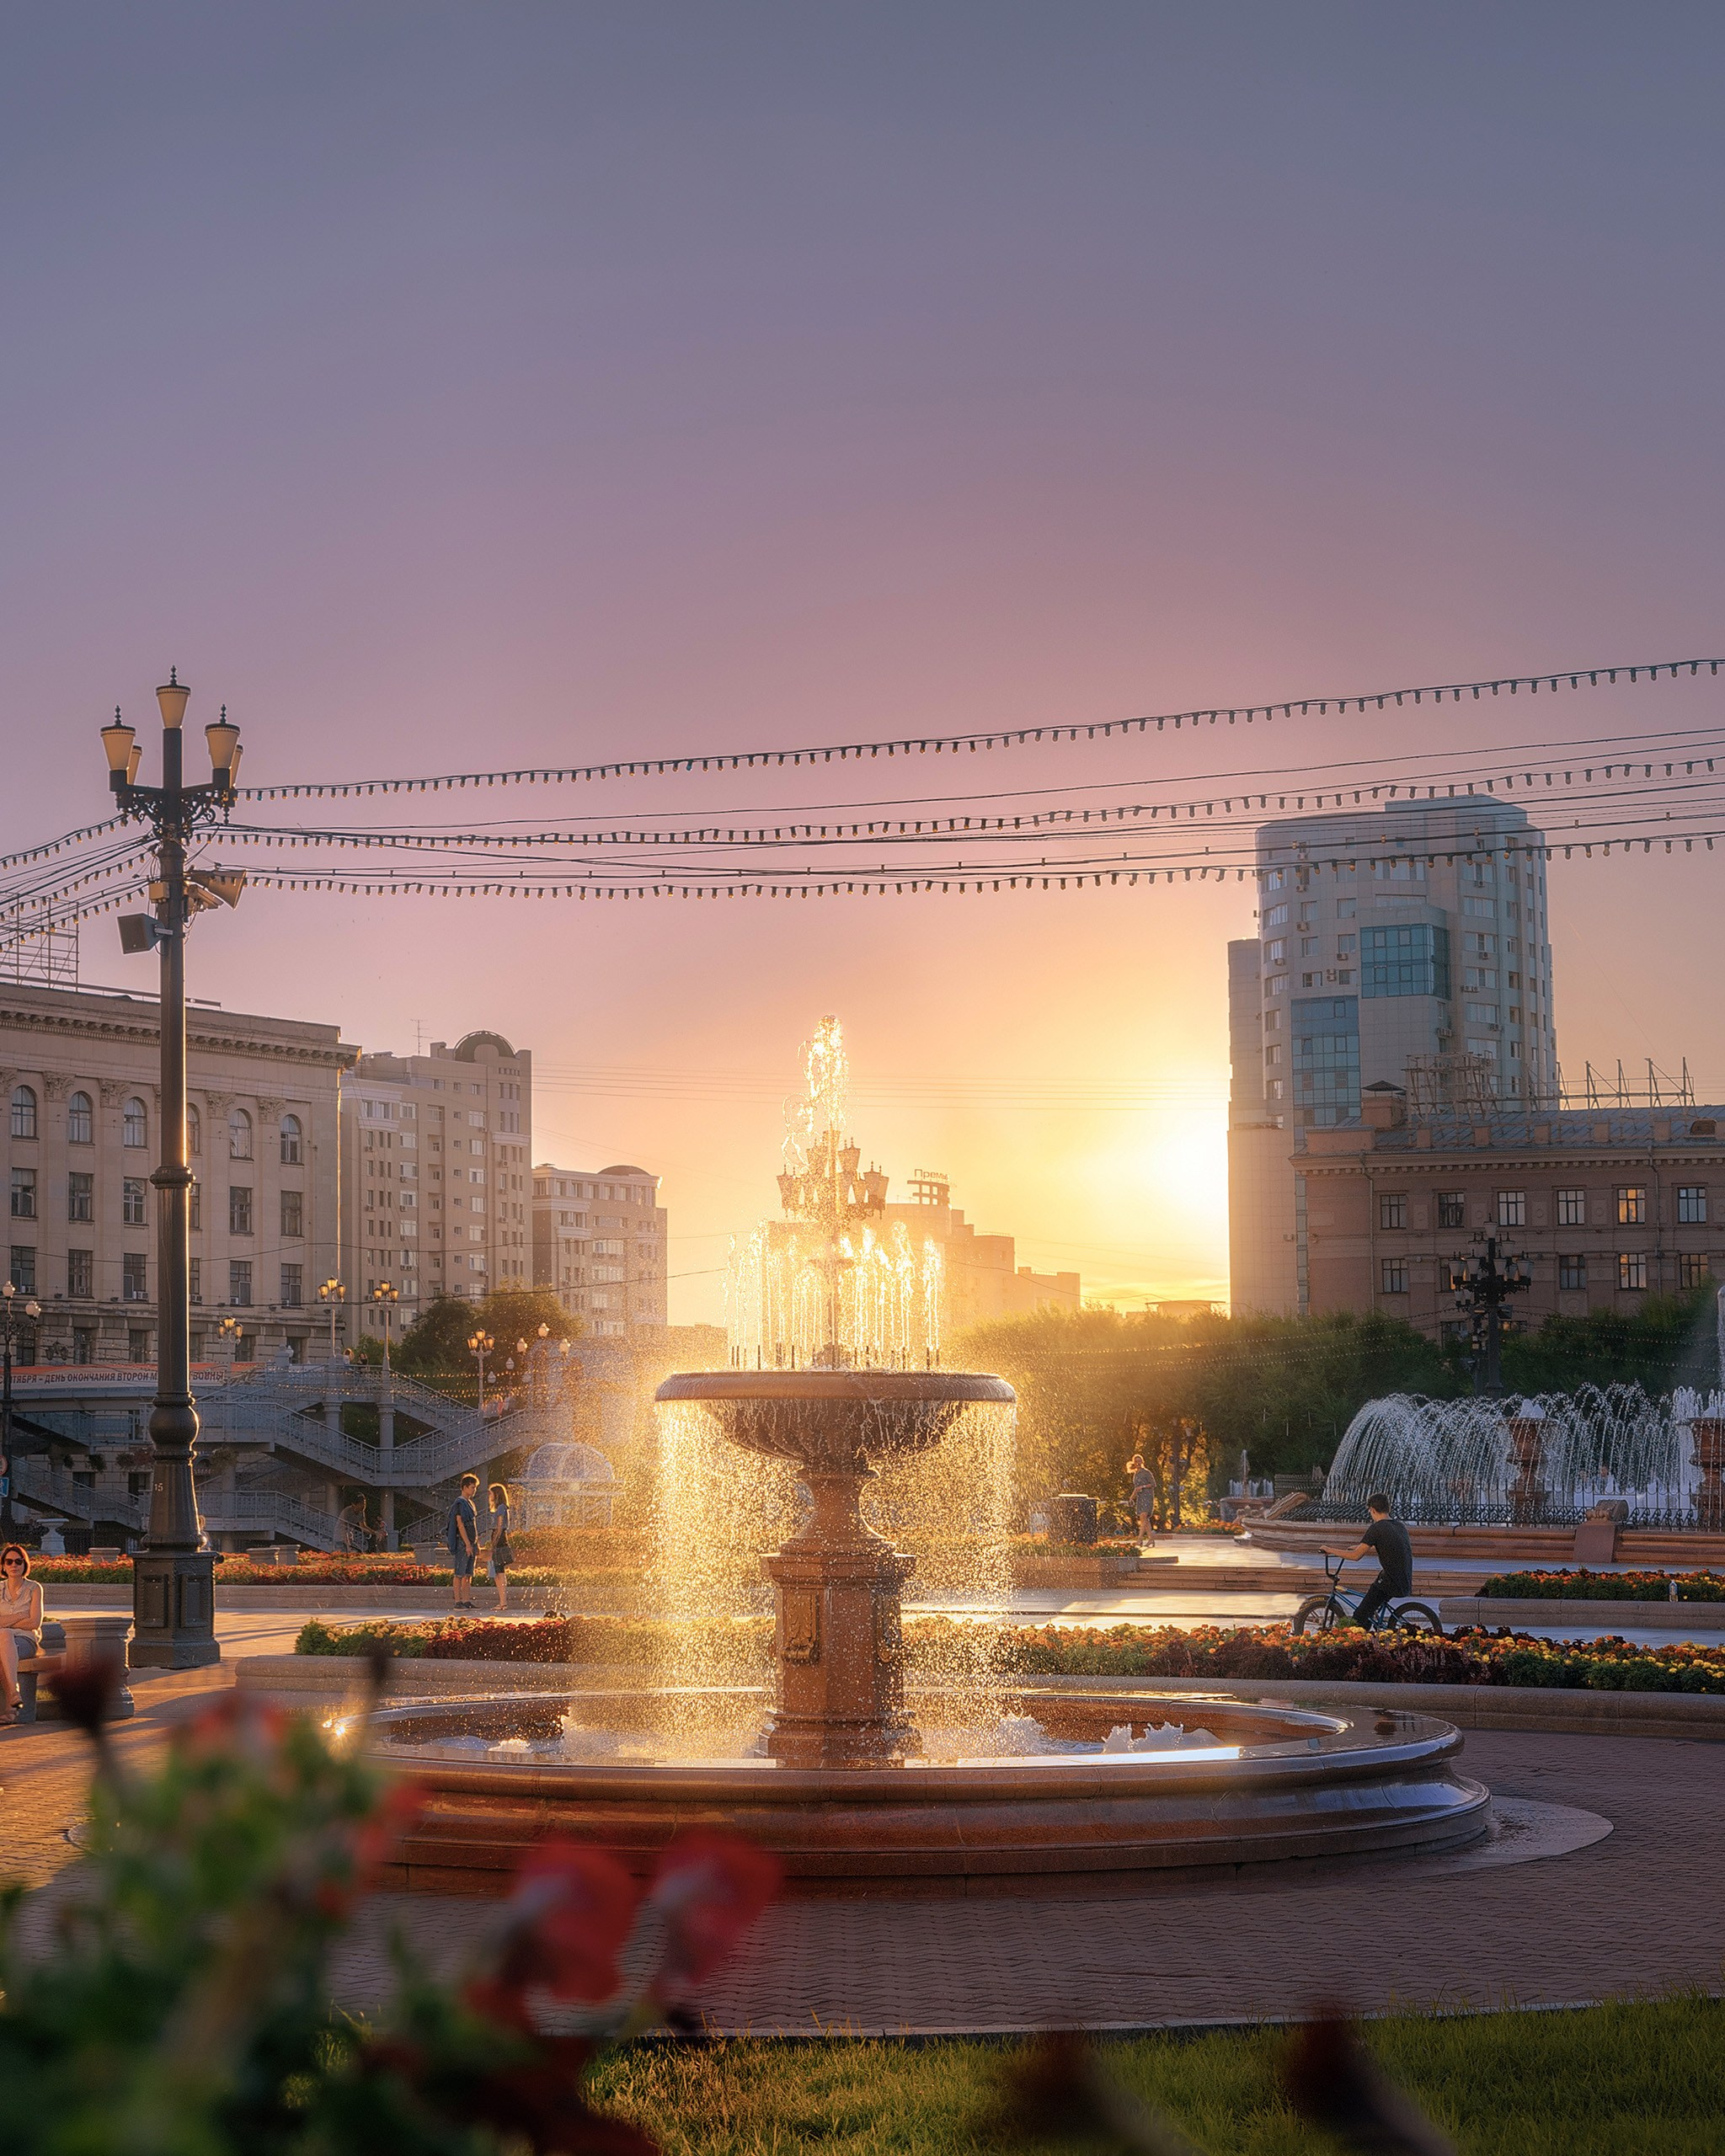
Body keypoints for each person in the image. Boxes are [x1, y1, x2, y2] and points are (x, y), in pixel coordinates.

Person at [1322, 1492, 1413, 1630]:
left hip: (1389, 1582)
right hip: (1404, 1580)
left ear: (1372, 1510)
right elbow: (1388, 1545)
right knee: (1369, 1610)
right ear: (1388, 1508)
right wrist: (1360, 1547)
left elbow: (1355, 1556)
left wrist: (1330, 1549)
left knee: (1359, 1616)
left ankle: (1360, 1642)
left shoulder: (1377, 1528)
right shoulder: (1400, 1525)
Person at [0, 1544, 44, 1726]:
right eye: (9, 1562)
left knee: (4, 1633)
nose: (14, 1565)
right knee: (4, 1637)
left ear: (25, 1565)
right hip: (4, 1641)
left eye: (18, 1561)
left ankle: (12, 1695)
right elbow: (27, 1619)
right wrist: (19, 1616)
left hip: (27, 1641)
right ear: (3, 1566)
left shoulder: (34, 1588)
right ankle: (12, 1703)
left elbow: (35, 1623)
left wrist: (6, 1621)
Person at [446, 1473, 480, 1609]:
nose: (474, 1490)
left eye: (475, 1487)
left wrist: (476, 1543)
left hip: (471, 1542)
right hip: (463, 1542)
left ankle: (466, 1600)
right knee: (459, 1573)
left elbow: (473, 1524)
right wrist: (467, 1544)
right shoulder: (460, 1503)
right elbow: (460, 1524)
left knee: (468, 1574)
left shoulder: (470, 1503)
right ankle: (458, 1602)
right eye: (472, 1487)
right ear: (465, 1487)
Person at [487, 1481, 515, 1611]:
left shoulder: (501, 1508)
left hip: (499, 1539)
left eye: (491, 1493)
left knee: (499, 1572)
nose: (489, 1496)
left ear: (496, 1494)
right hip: (500, 1538)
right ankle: (502, 1602)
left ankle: (503, 1603)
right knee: (498, 1572)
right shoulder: (502, 1507)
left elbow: (499, 1526)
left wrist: (493, 1544)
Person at [1126, 1452, 1158, 1540]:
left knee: (1144, 1516)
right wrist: (1131, 1498)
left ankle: (1139, 1539)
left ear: (1142, 1462)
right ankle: (1151, 1540)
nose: (1138, 1463)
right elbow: (1136, 1489)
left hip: (1147, 1497)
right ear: (1134, 1463)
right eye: (1136, 1461)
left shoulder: (1146, 1472)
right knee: (1145, 1520)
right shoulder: (1136, 1475)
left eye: (1139, 1461)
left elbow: (1153, 1484)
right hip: (1140, 1498)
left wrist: (1143, 1486)